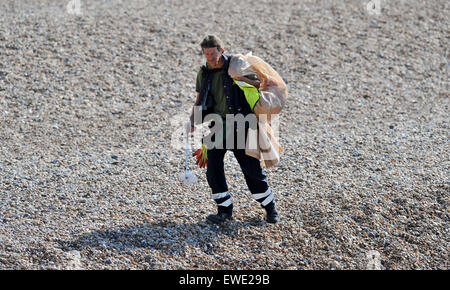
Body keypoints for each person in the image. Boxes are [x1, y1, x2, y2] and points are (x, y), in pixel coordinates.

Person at [189, 35, 279, 224]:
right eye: (206, 54)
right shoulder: (204, 73)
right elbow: (199, 98)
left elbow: (260, 85)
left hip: (242, 126)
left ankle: (270, 209)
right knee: (213, 169)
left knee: (252, 170)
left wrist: (242, 79)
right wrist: (192, 121)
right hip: (217, 127)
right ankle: (224, 211)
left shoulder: (237, 66)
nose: (210, 58)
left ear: (221, 51)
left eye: (212, 53)